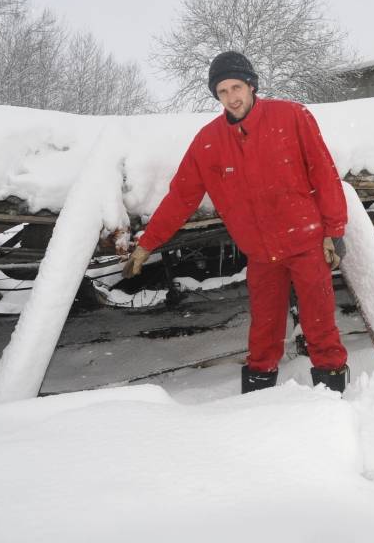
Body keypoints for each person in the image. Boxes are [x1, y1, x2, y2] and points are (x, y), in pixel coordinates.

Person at [122, 51, 350, 394]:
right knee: (263, 332)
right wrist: (147, 244)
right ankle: (255, 401)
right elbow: (182, 196)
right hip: (261, 254)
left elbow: (324, 173)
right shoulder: (208, 142)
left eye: (236, 87)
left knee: (320, 325)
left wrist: (334, 231)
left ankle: (333, 394)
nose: (232, 97)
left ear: (251, 85)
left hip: (306, 243)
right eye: (223, 91)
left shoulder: (291, 117)